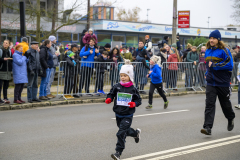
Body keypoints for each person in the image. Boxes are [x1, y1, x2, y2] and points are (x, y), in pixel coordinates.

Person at [105, 60, 142, 160]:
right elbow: (111, 93)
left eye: (125, 75)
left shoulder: (133, 89)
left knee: (121, 133)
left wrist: (134, 103)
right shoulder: (117, 86)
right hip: (118, 113)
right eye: (121, 75)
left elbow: (139, 100)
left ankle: (118, 153)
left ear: (130, 77)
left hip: (128, 114)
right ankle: (135, 134)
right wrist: (109, 98)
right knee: (124, 130)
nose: (122, 77)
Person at [201, 30, 235, 136]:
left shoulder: (224, 51)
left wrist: (215, 65)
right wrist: (207, 72)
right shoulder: (207, 51)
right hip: (211, 83)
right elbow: (208, 66)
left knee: (225, 105)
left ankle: (230, 118)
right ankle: (207, 127)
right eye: (210, 38)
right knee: (209, 105)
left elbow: (230, 65)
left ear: (218, 39)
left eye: (213, 38)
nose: (211, 40)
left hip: (223, 83)